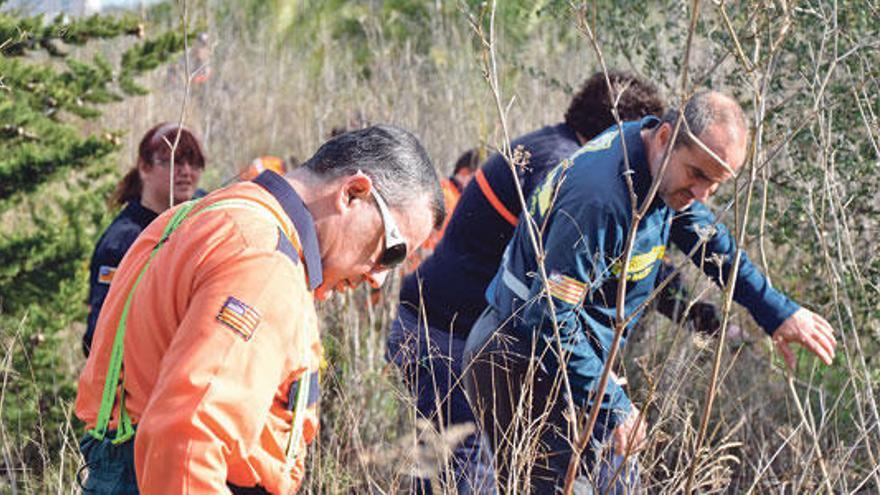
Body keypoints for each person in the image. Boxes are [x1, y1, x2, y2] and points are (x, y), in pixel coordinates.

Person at [463, 91, 838, 493]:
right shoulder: (600, 199)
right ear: (664, 137)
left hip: (575, 365)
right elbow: (550, 316)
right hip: (522, 360)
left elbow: (711, 243)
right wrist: (612, 404)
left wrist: (776, 312)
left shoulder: (663, 173)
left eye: (715, 184)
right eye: (697, 174)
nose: (701, 194)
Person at [75, 125, 445, 494]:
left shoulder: (211, 213)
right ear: (353, 193)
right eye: (391, 251)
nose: (377, 279)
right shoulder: (262, 257)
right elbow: (189, 439)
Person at [385, 71, 666, 494]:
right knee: (465, 478)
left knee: (455, 471)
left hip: (438, 326)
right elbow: (565, 292)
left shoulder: (552, 149)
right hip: (448, 337)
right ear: (619, 131)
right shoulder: (570, 173)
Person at [83, 122, 206, 356]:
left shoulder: (204, 210)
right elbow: (98, 333)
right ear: (144, 168)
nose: (186, 171)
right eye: (173, 161)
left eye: (195, 163)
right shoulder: (122, 241)